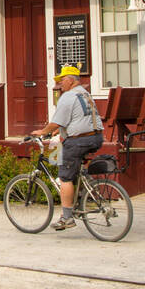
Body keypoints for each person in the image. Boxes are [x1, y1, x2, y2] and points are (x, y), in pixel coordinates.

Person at [31, 65, 103, 230]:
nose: (59, 84)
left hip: (79, 141)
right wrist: (57, 131)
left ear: (70, 80)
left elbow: (56, 122)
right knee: (64, 156)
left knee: (65, 177)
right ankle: (84, 186)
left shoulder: (68, 96)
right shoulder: (85, 94)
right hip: (96, 138)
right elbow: (76, 119)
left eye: (62, 80)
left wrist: (42, 132)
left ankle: (67, 217)